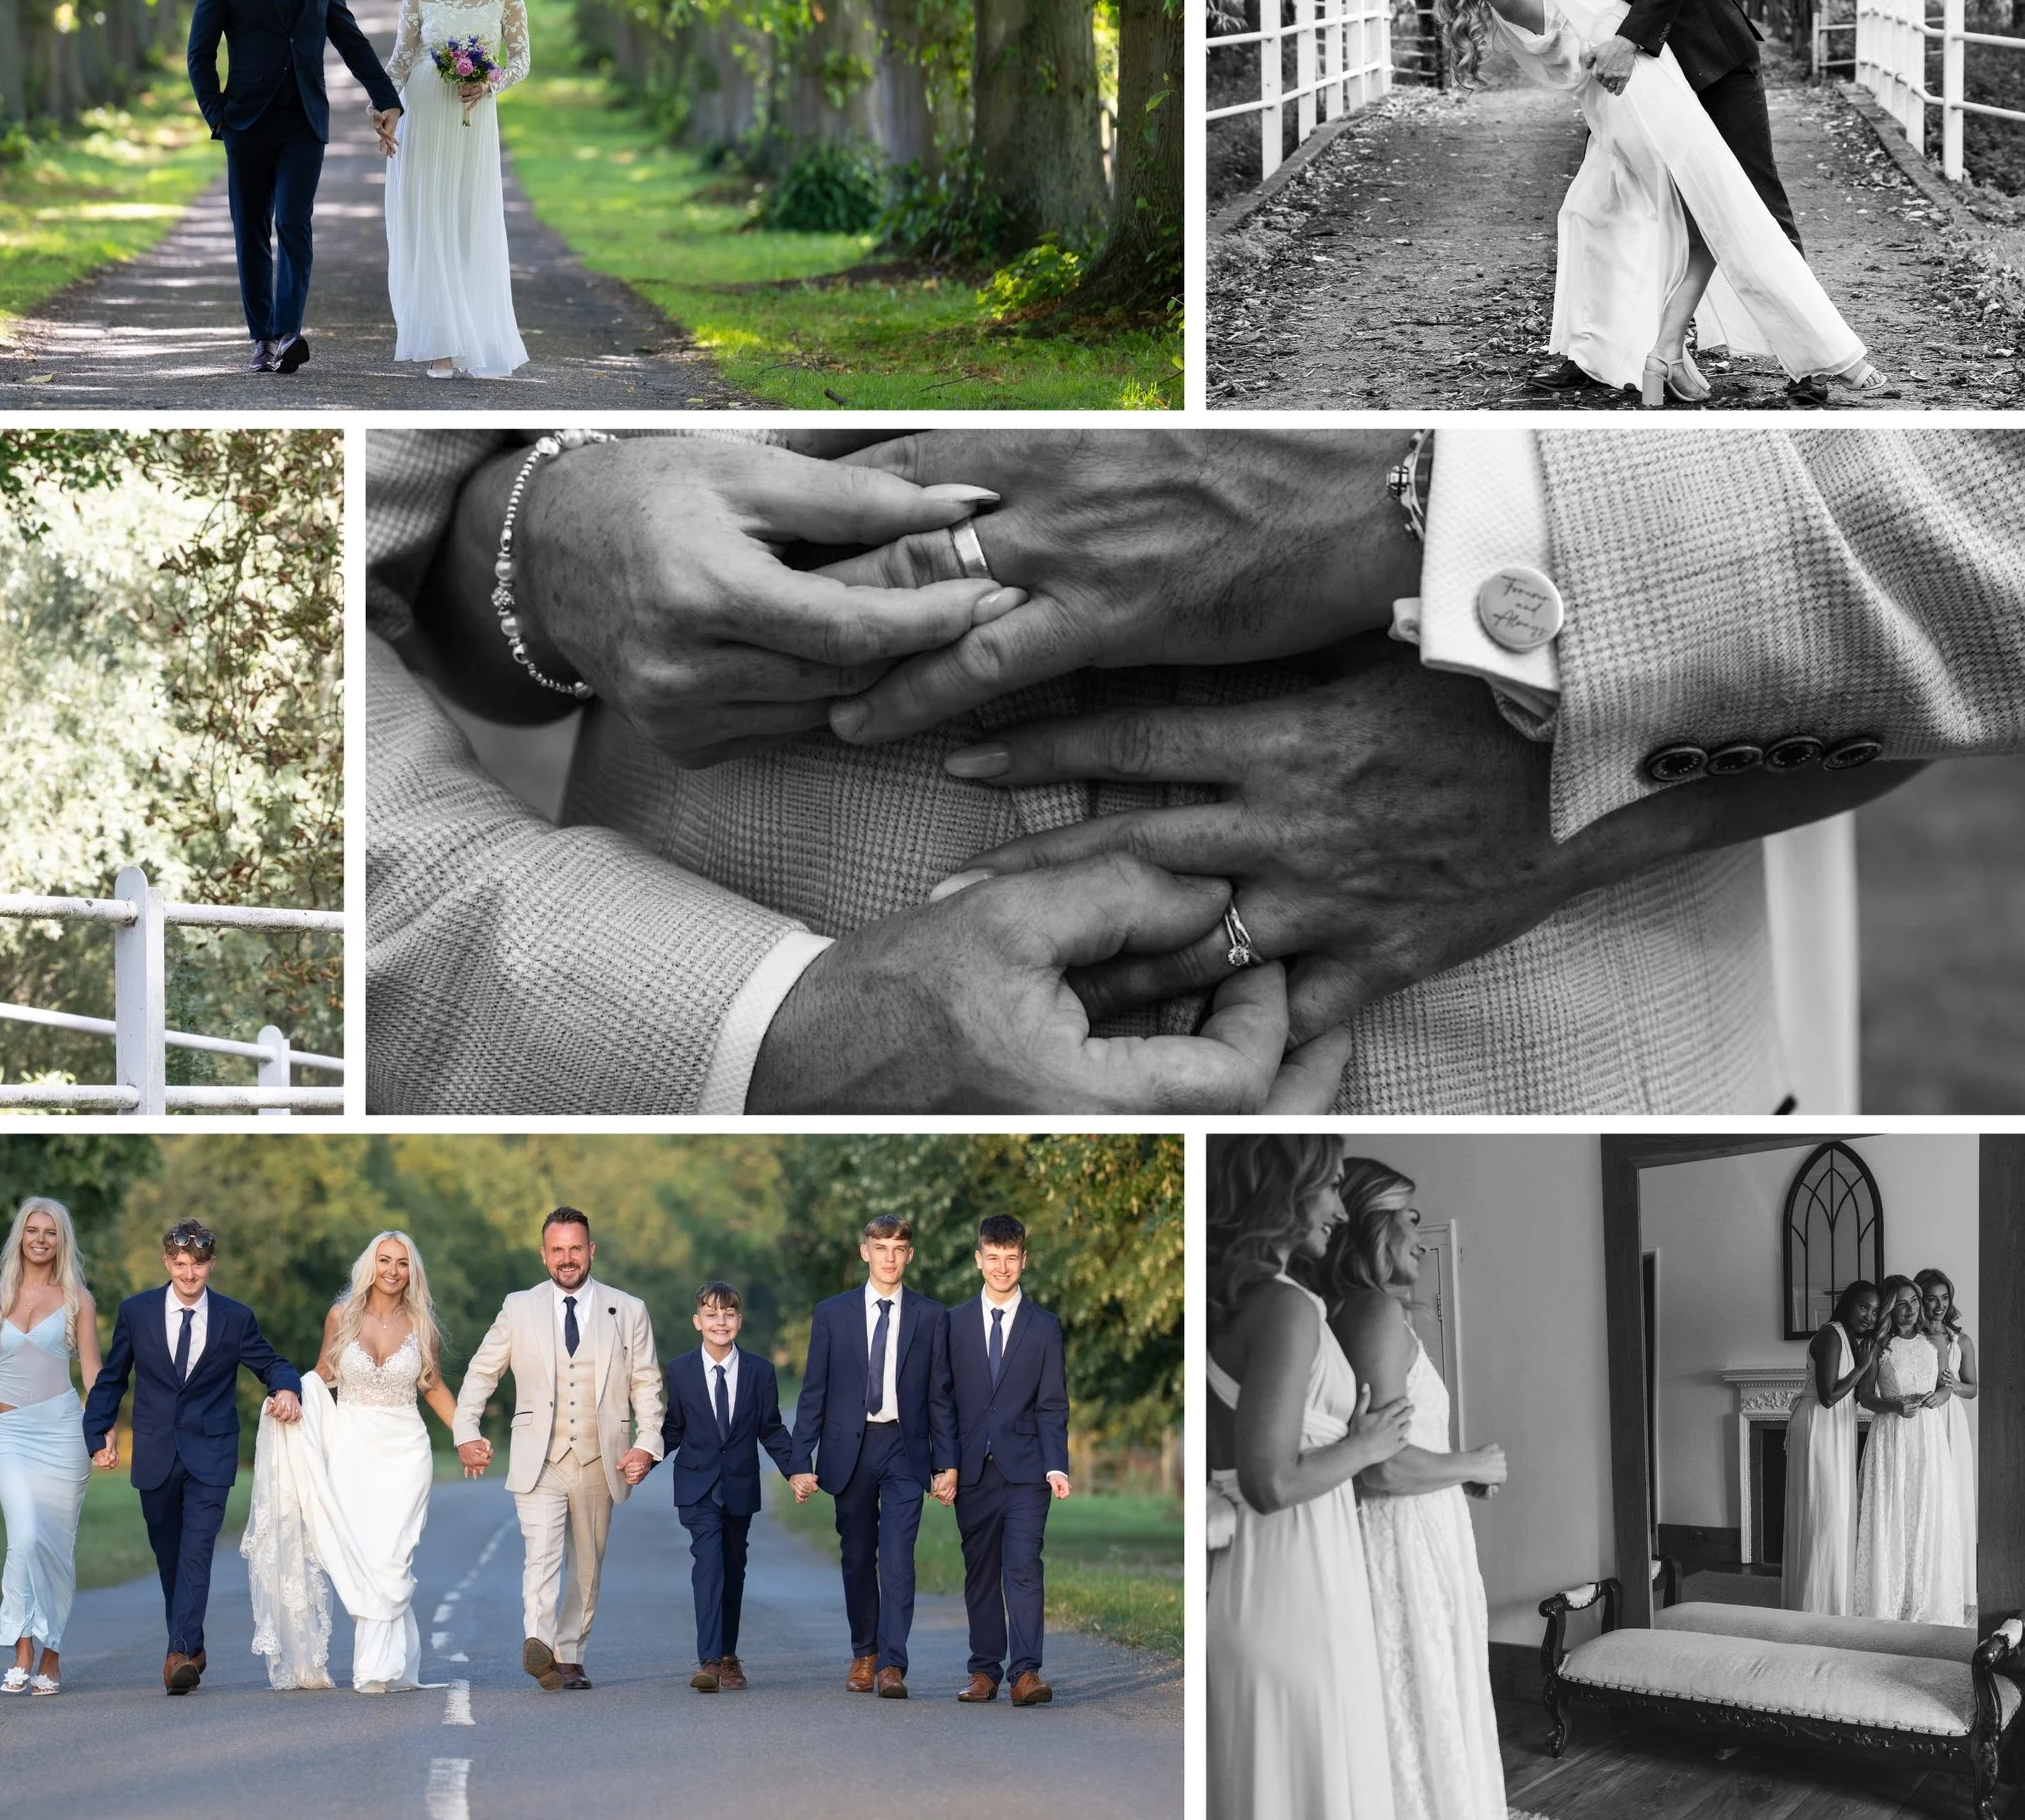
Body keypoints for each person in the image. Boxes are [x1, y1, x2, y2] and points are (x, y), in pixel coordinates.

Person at [365, 427, 2004, 1115]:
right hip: (693, 1050)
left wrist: (1437, 514)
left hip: (1562, 1063)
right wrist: (544, 537)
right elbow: (362, 540)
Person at [1320, 0, 1883, 406]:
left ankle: (1662, 351)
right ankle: (1776, 353)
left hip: (1637, 88)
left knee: (1633, 213)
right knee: (1721, 207)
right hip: (1641, 93)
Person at [1492, 0, 1834, 401]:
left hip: (1708, 57)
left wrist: (1629, 41)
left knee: (1756, 197)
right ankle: (1594, 353)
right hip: (1637, 88)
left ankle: (1810, 361)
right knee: (1604, 208)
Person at [1208, 1136, 1406, 1820]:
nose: (1341, 1211)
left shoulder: (1235, 1301)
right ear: (1283, 1186)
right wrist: (1367, 1443)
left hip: (1265, 1578)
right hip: (1294, 1579)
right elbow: (1269, 1482)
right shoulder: (1284, 1307)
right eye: (1329, 1186)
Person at [1324, 1160, 1511, 1820]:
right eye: (1409, 1217)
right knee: (1425, 1703)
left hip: (1424, 1533)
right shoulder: (1373, 1312)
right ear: (1372, 1224)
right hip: (1403, 1546)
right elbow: (1380, 1468)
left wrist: (1459, 1472)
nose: (1423, 1238)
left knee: (1431, 1702)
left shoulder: (1365, 1311)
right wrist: (1473, 1462)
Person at [187, 0, 404, 375]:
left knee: (293, 222)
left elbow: (351, 42)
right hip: (246, 123)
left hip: (304, 123)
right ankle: (262, 338)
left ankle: (287, 334)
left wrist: (385, 99)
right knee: (251, 229)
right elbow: (200, 53)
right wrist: (217, 114)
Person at [83, 1218, 306, 1694]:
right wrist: (97, 1431)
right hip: (155, 1453)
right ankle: (192, 1646)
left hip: (212, 1453)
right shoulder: (137, 1312)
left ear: (212, 1264)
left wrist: (286, 1388)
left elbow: (272, 1363)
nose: (189, 1274)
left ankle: (179, 1655)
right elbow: (112, 1377)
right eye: (181, 1264)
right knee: (169, 1556)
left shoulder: (234, 1318)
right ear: (167, 1262)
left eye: (198, 1266)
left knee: (196, 1552)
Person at [452, 1207, 665, 1691]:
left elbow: (647, 1383)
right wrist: (466, 1430)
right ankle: (540, 1644)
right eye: (557, 1250)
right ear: (543, 1255)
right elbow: (483, 1371)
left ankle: (570, 1654)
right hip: (540, 1457)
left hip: (601, 1456)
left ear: (591, 1251)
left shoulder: (628, 1309)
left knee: (587, 1565)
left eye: (575, 1248)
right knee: (541, 1554)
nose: (566, 1258)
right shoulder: (518, 1307)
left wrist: (647, 1444)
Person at [244, 1230, 462, 1692]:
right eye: (384, 1260)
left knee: (393, 1555)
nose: (392, 1270)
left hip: (406, 1452)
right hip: (353, 1451)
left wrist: (467, 1436)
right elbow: (323, 1375)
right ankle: (391, 1664)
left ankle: (376, 1668)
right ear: (370, 1266)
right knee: (365, 1555)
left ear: (412, 1272)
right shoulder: (340, 1316)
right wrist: (288, 1394)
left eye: (402, 1263)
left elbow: (433, 1385)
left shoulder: (421, 1324)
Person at [786, 1213, 956, 1699]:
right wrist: (800, 1461)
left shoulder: (930, 1315)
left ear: (910, 1255)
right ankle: (864, 1653)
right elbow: (813, 1391)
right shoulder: (832, 1313)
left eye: (898, 1249)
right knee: (858, 1555)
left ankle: (892, 1664)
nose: (889, 1258)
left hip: (905, 1448)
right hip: (850, 1450)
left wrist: (947, 1463)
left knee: (898, 1557)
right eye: (880, 1248)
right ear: (865, 1252)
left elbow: (941, 1396)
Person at [0, 1197, 102, 1696]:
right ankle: (22, 1647)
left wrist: (103, 1430)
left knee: (55, 1547)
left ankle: (52, 1653)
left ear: (61, 1241)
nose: (40, 1239)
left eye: (50, 1232)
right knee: (25, 1537)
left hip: (64, 1431)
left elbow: (93, 1371)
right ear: (20, 1236)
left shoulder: (78, 1299)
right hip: (9, 1431)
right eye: (32, 1230)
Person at [383, 0, 531, 380]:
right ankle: (440, 345)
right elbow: (401, 60)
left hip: (473, 115)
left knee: (468, 219)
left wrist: (490, 83)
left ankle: (473, 336)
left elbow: (520, 60)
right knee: (429, 221)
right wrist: (382, 106)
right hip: (424, 114)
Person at [940, 1215, 1070, 1708]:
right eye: (992, 1258)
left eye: (1010, 1258)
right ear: (978, 1259)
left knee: (1023, 1567)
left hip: (1027, 1471)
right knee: (980, 1572)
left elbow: (1052, 1405)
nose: (1001, 1267)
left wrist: (1056, 1465)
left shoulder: (1044, 1326)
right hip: (971, 1470)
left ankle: (1026, 1673)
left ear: (1023, 1260)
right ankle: (983, 1671)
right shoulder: (952, 1323)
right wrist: (944, 1464)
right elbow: (942, 1401)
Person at [657, 1279, 794, 1693]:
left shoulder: (759, 1372)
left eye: (729, 1314)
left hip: (739, 1488)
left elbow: (771, 1430)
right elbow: (673, 1427)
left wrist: (796, 1471)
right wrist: (644, 1457)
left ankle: (729, 1655)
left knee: (733, 1569)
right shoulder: (680, 1370)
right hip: (697, 1486)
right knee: (709, 1565)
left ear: (739, 1320)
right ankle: (710, 1661)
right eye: (711, 1314)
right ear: (697, 1321)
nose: (721, 1321)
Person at [1854, 1275, 1967, 1624]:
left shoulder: (1935, 1342)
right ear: (1890, 1308)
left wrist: (1939, 1397)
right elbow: (1864, 1395)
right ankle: (1889, 1598)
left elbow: (1946, 1386)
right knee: (1893, 1510)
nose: (1910, 1309)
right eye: (1901, 1303)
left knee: (1925, 1509)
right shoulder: (1879, 1345)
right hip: (1892, 1433)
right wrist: (1894, 1407)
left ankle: (1923, 1597)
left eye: (1914, 1301)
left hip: (1928, 1435)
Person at [1783, 1279, 1880, 1616]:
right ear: (1848, 1304)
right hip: (1819, 1425)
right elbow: (1828, 1396)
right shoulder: (1830, 1335)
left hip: (1837, 1425)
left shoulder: (1852, 1339)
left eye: (1875, 1311)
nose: (1869, 1316)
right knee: (1823, 1510)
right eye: (1864, 1307)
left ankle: (1833, 1599)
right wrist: (1862, 1367)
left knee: (1836, 1509)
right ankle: (1814, 1605)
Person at [1916, 1267, 1978, 1618]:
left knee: (1953, 1496)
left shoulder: (1961, 1341)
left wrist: (1954, 1387)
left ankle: (1956, 1586)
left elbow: (1972, 1388)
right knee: (1925, 1496)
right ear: (1919, 1300)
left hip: (1951, 1421)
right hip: (1922, 1419)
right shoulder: (1910, 1338)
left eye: (1945, 1298)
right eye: (1931, 1298)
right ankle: (1923, 1584)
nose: (1939, 1305)